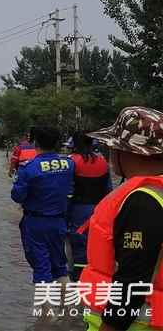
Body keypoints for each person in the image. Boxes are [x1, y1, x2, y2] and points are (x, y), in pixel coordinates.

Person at [78, 106, 163, 331]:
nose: (108, 153)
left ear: (128, 151)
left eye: (112, 147)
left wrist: (110, 327)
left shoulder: (143, 201)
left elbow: (133, 280)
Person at [11, 126, 74, 286]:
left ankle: (46, 311)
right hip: (60, 222)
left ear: (36, 142)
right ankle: (69, 309)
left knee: (41, 270)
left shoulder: (29, 168)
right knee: (60, 267)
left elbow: (17, 196)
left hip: (36, 223)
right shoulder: (69, 164)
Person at [65, 131, 114, 282]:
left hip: (77, 210)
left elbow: (66, 190)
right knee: (95, 245)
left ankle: (77, 278)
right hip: (99, 210)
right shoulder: (102, 162)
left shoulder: (71, 161)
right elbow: (109, 190)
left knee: (77, 246)